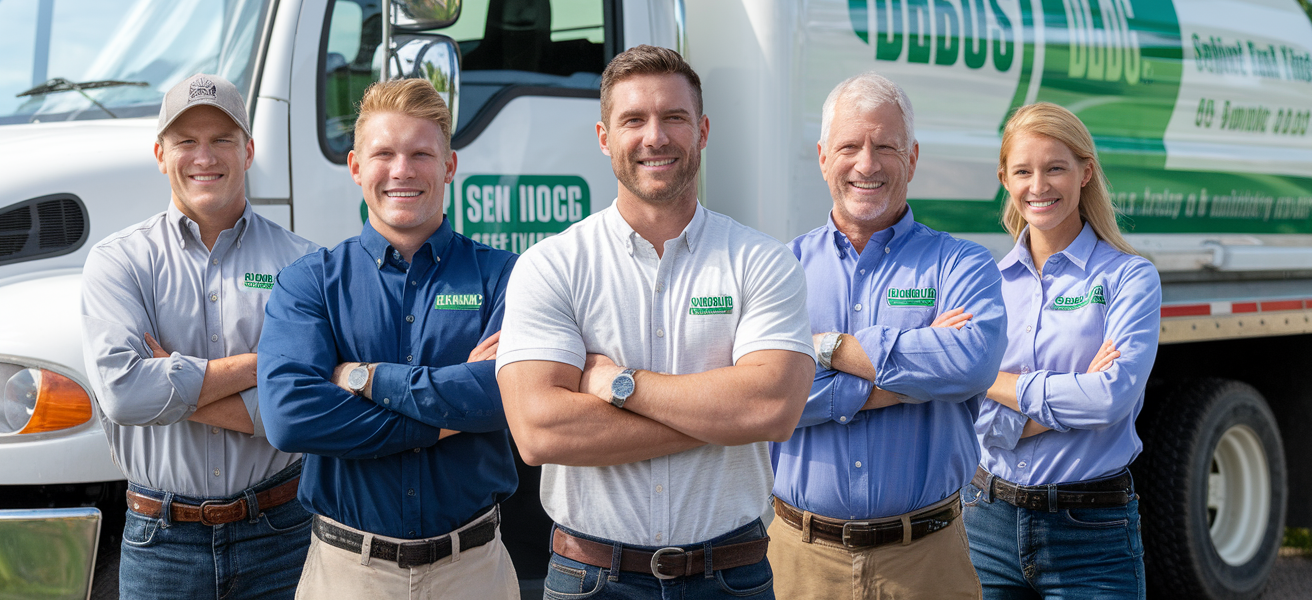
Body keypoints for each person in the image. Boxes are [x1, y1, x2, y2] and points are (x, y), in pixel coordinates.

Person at [495, 44, 816, 599]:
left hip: (730, 578)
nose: (655, 137)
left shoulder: (761, 261)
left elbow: (771, 408)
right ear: (603, 137)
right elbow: (539, 430)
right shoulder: (552, 265)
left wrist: (616, 384)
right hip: (592, 579)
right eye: (633, 120)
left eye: (674, 118)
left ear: (703, 130)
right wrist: (718, 417)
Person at [257, 79, 519, 599]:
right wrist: (444, 416)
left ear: (448, 166)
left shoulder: (504, 276)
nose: (402, 170)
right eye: (384, 154)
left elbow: (501, 396)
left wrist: (363, 377)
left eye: (421, 153)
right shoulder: (310, 282)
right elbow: (289, 417)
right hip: (349, 574)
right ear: (356, 167)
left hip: (473, 572)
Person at [768, 72, 1006, 600]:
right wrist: (905, 382)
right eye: (850, 146)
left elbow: (970, 365)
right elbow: (765, 393)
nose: (867, 163)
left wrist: (827, 349)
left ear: (913, 158)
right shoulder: (780, 270)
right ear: (824, 156)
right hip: (800, 561)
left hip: (927, 561)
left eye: (886, 146)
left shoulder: (961, 265)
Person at [81, 74, 319, 599]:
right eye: (186, 141)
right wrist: (262, 365)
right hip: (160, 543)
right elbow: (124, 394)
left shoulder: (304, 264)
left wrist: (168, 382)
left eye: (221, 140)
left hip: (282, 537)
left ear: (249, 150)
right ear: (161, 154)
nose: (204, 156)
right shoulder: (119, 261)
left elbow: (304, 407)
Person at [963, 102, 1159, 600]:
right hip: (987, 524)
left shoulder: (1129, 278)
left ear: (1085, 173)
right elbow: (961, 408)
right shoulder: (984, 284)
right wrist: (1070, 400)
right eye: (1024, 171)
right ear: (1005, 178)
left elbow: (1110, 400)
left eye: (1056, 168)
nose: (1040, 186)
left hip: (1090, 532)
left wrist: (991, 382)